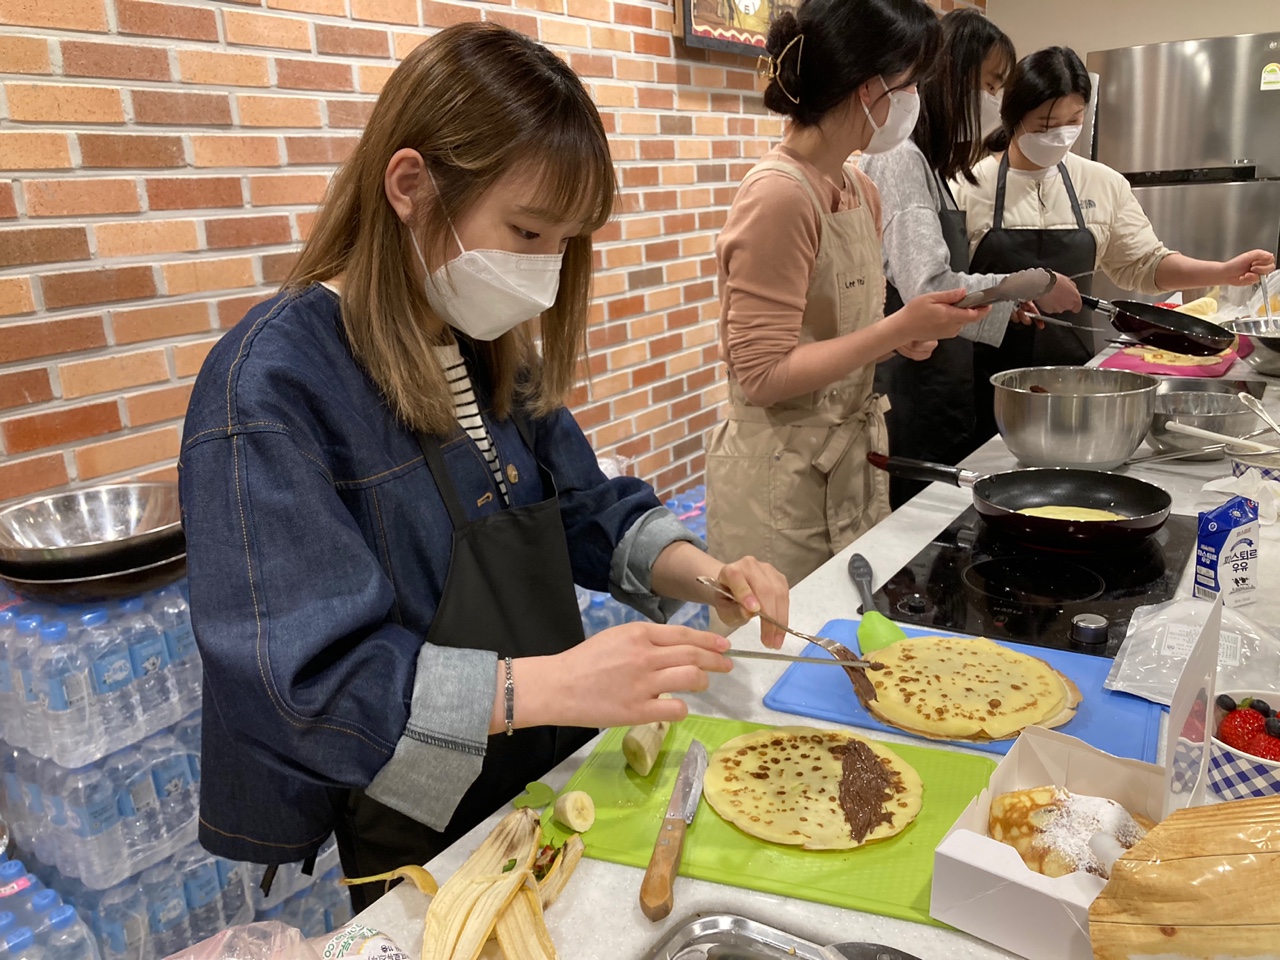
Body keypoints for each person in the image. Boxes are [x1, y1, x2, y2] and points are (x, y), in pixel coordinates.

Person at [177, 22, 789, 911]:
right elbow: (304, 685)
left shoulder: (485, 344)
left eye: (564, 244)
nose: (543, 274)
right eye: (527, 231)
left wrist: (705, 573)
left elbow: (584, 507)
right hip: (418, 818)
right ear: (410, 186)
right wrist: (551, 682)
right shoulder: (269, 390)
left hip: (547, 764)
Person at [705, 0, 992, 589]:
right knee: (789, 637)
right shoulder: (779, 196)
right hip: (779, 480)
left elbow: (839, 335)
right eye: (909, 85)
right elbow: (762, 375)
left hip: (849, 464)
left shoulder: (859, 187)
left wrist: (898, 340)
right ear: (868, 88)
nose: (914, 101)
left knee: (852, 624)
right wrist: (893, 329)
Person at [955, 46, 1276, 445]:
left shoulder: (1101, 183)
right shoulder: (966, 186)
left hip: (1071, 384)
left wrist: (1223, 271)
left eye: (1073, 121)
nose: (1060, 135)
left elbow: (1145, 264)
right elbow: (949, 290)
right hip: (983, 386)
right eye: (1046, 125)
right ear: (1013, 117)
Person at [861, 9, 1082, 508]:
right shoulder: (899, 160)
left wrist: (1006, 303)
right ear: (948, 77)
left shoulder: (931, 167)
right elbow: (929, 288)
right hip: (912, 396)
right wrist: (1034, 284)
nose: (996, 101)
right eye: (990, 84)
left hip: (942, 389)